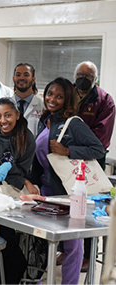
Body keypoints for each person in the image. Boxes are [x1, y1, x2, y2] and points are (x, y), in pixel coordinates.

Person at [30, 77, 105, 284]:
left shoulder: (73, 123)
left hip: (68, 192)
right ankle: (48, 279)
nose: (52, 99)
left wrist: (68, 150)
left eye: (59, 96)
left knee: (73, 244)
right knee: (53, 242)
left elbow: (97, 149)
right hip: (47, 191)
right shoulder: (45, 120)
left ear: (68, 99)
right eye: (50, 94)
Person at [0, 97, 36, 284]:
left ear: (17, 115)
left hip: (14, 191)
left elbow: (23, 168)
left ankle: (9, 274)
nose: (3, 121)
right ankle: (4, 273)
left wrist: (11, 170)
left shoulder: (27, 137)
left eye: (8, 115)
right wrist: (16, 172)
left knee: (11, 230)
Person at [74, 61, 116, 271]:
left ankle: (89, 256)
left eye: (88, 76)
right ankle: (70, 252)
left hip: (93, 161)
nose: (83, 79)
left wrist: (73, 147)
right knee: (69, 205)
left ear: (95, 79)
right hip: (68, 160)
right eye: (80, 74)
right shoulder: (69, 93)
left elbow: (100, 140)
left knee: (89, 208)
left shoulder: (105, 101)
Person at [11, 63, 43, 136]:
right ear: (14, 79)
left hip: (35, 146)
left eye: (26, 75)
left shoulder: (42, 105)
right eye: (18, 75)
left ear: (33, 80)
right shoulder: (6, 104)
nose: (21, 78)